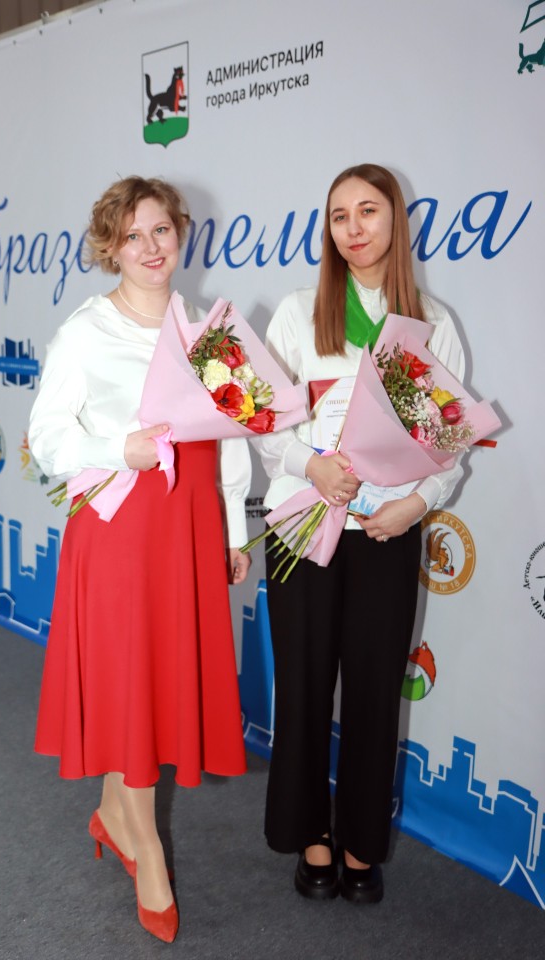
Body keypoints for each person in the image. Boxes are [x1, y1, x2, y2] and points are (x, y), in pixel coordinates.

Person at [28, 176, 251, 943]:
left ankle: (114, 814)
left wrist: (232, 532)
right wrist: (116, 447)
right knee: (130, 682)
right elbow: (48, 437)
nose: (151, 247)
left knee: (157, 679)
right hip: (120, 527)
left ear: (180, 232)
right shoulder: (85, 331)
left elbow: (231, 433)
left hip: (188, 528)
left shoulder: (208, 330)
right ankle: (146, 847)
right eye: (133, 236)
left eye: (161, 230)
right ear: (110, 248)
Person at [254, 163, 465, 904]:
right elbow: (265, 421)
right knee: (304, 687)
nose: (354, 228)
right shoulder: (299, 314)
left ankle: (361, 844)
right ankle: (311, 835)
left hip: (385, 529)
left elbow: (447, 445)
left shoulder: (428, 325)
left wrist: (419, 504)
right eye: (339, 216)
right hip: (304, 525)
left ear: (394, 220)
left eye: (368, 211)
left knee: (375, 691)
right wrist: (309, 465)